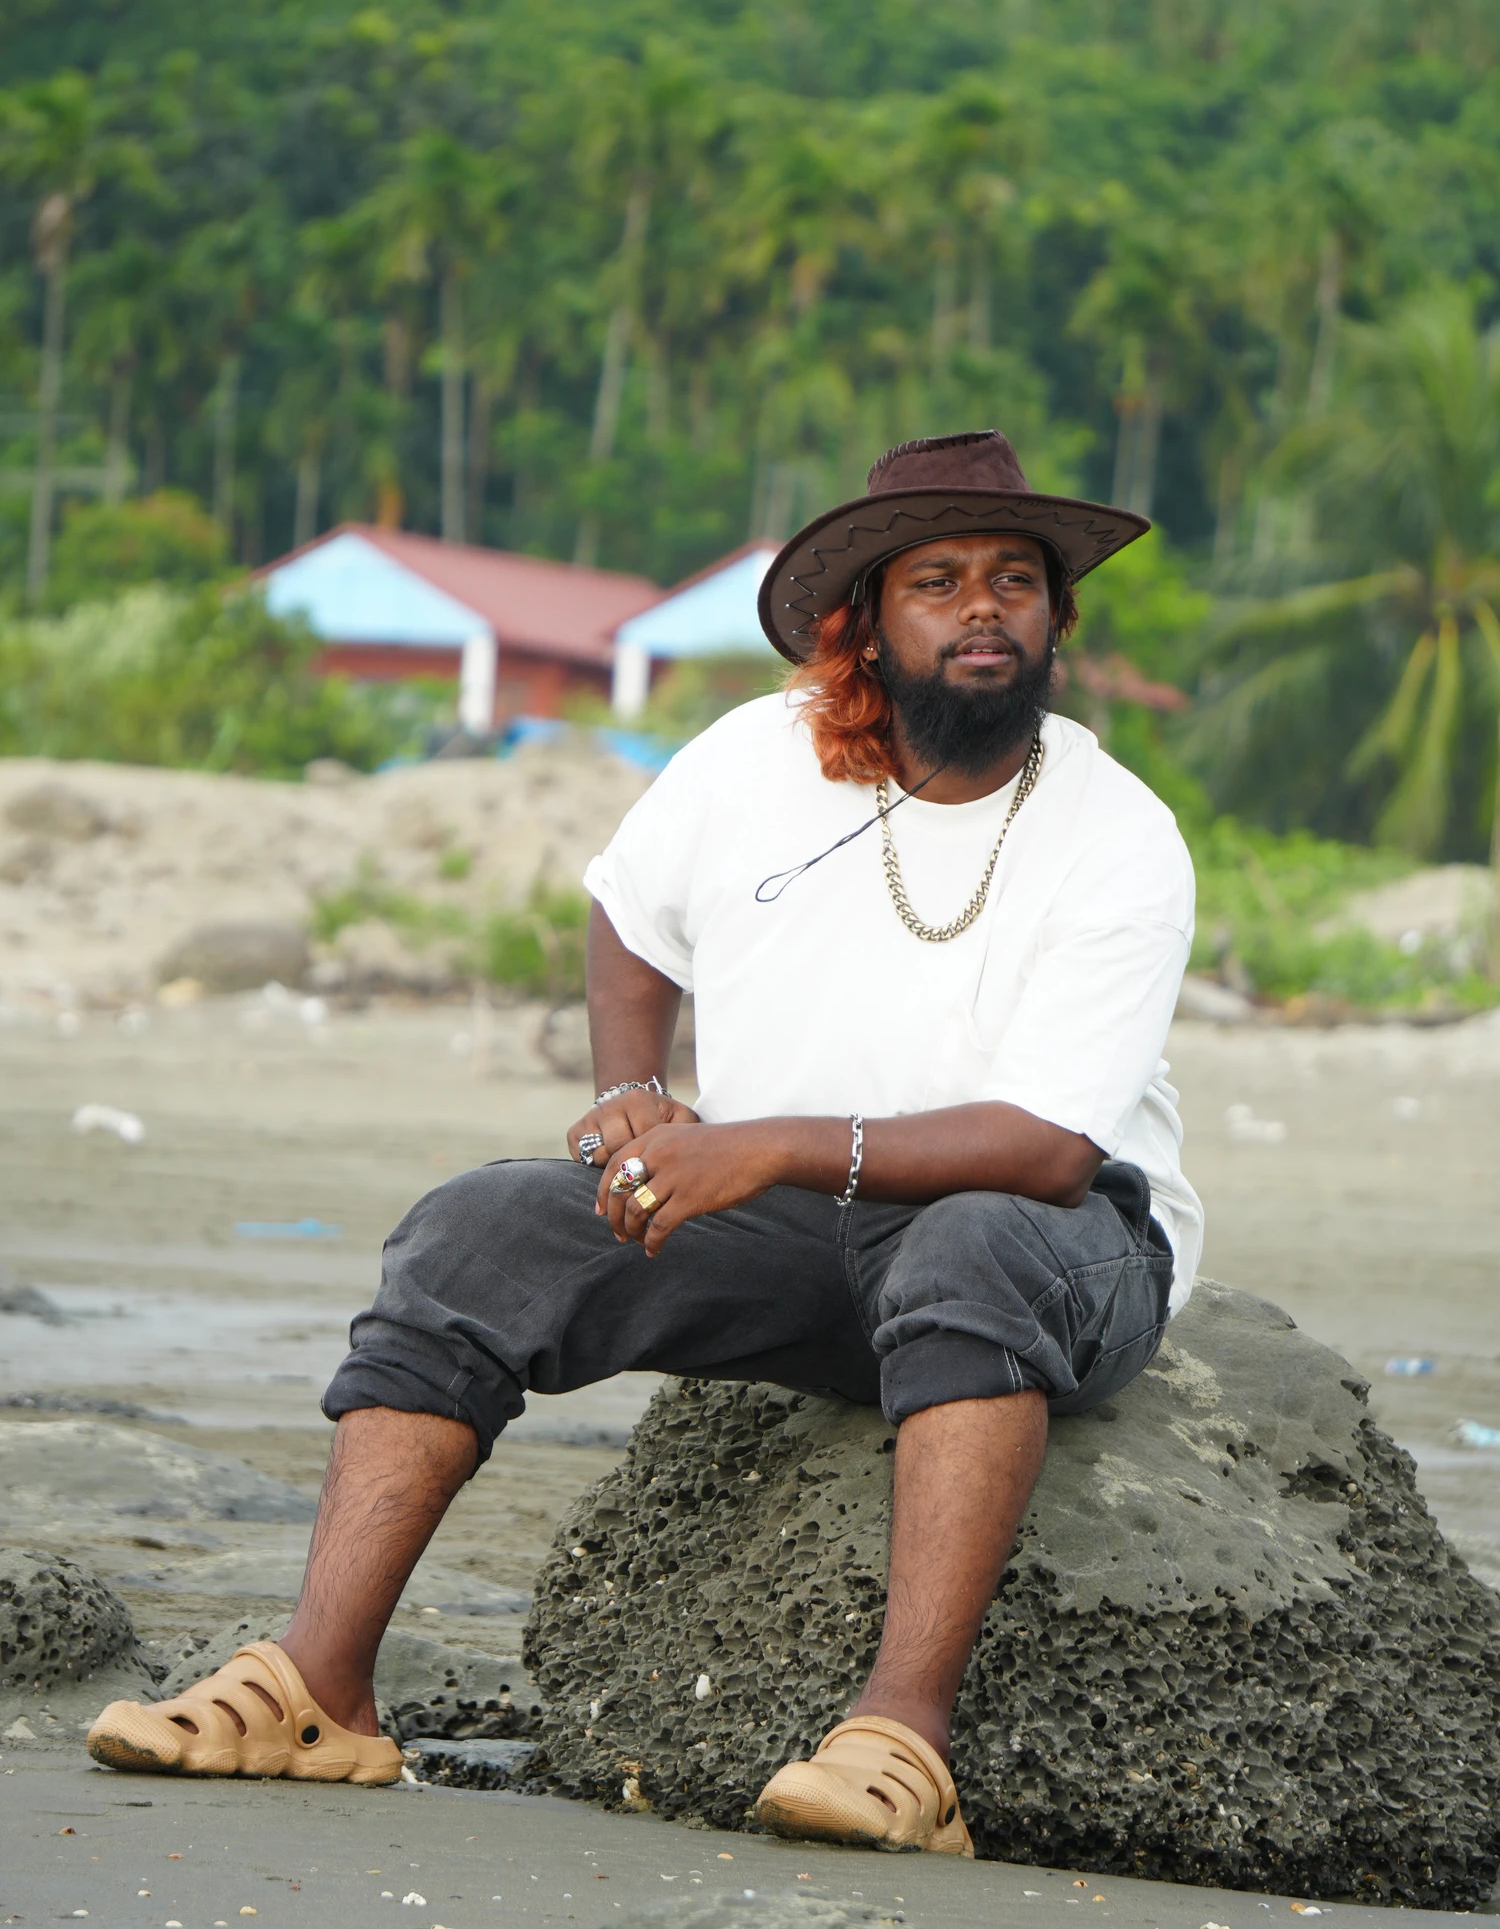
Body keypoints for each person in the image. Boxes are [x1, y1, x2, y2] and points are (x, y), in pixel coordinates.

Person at [88, 430, 1200, 1856]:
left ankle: (902, 1745)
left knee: (974, 1241)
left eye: (1014, 581)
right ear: (865, 621)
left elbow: (1048, 1149)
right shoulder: (755, 755)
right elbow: (627, 909)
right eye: (938, 581)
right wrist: (631, 1091)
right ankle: (321, 1689)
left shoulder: (1118, 832)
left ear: (1057, 620)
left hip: (1063, 1250)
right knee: (475, 1230)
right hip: (807, 1237)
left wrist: (764, 1148)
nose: (984, 608)